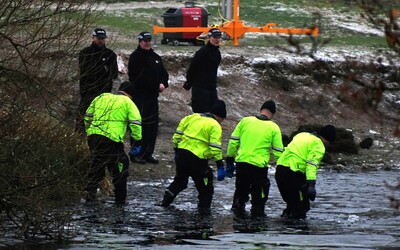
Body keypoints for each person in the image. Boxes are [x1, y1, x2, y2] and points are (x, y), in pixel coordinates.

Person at [160, 100, 227, 215]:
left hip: (181, 155)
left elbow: (177, 136)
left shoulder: (192, 117)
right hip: (197, 160)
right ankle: (203, 217)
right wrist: (220, 164)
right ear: (220, 117)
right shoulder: (214, 125)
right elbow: (215, 147)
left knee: (180, 182)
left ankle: (164, 204)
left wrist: (177, 150)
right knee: (206, 189)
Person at [84, 82, 142, 205]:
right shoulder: (128, 103)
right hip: (112, 140)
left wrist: (89, 131)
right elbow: (136, 124)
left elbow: (88, 116)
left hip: (94, 137)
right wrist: (137, 142)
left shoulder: (101, 97)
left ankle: (89, 198)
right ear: (130, 95)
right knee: (120, 169)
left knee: (96, 166)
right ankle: (120, 202)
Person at [225, 100, 284, 217]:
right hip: (258, 168)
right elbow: (278, 152)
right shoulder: (273, 127)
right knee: (259, 199)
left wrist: (230, 159)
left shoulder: (245, 121)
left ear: (261, 110)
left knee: (240, 194)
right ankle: (256, 226)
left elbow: (233, 142)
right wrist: (282, 166)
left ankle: (237, 224)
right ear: (272, 113)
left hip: (242, 163)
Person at [125, 31, 169, 164]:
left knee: (152, 127)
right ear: (140, 41)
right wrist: (156, 85)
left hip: (152, 97)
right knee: (139, 126)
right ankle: (135, 154)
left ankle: (148, 153)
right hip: (140, 97)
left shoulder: (155, 57)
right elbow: (137, 78)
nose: (148, 43)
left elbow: (164, 74)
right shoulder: (135, 57)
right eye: (145, 40)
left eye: (149, 40)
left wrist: (163, 83)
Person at [275, 125, 336, 219]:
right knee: (301, 208)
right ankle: (298, 231)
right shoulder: (319, 145)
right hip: (293, 173)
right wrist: (311, 184)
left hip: (280, 171)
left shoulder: (301, 135)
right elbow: (311, 164)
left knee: (292, 204)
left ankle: (285, 227)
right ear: (328, 140)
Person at [76, 28, 118, 134]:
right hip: (88, 91)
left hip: (103, 92)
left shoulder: (110, 54)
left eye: (103, 38)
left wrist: (103, 71)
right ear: (93, 38)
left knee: (101, 117)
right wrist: (103, 69)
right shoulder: (85, 53)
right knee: (83, 115)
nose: (101, 41)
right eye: (99, 38)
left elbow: (114, 74)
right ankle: (79, 136)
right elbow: (86, 71)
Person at [184, 28, 222, 113]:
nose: (217, 40)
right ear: (209, 37)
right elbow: (192, 68)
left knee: (212, 113)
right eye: (215, 37)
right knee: (201, 113)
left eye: (219, 37)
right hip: (200, 88)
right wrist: (189, 83)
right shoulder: (203, 52)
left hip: (211, 88)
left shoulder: (217, 53)